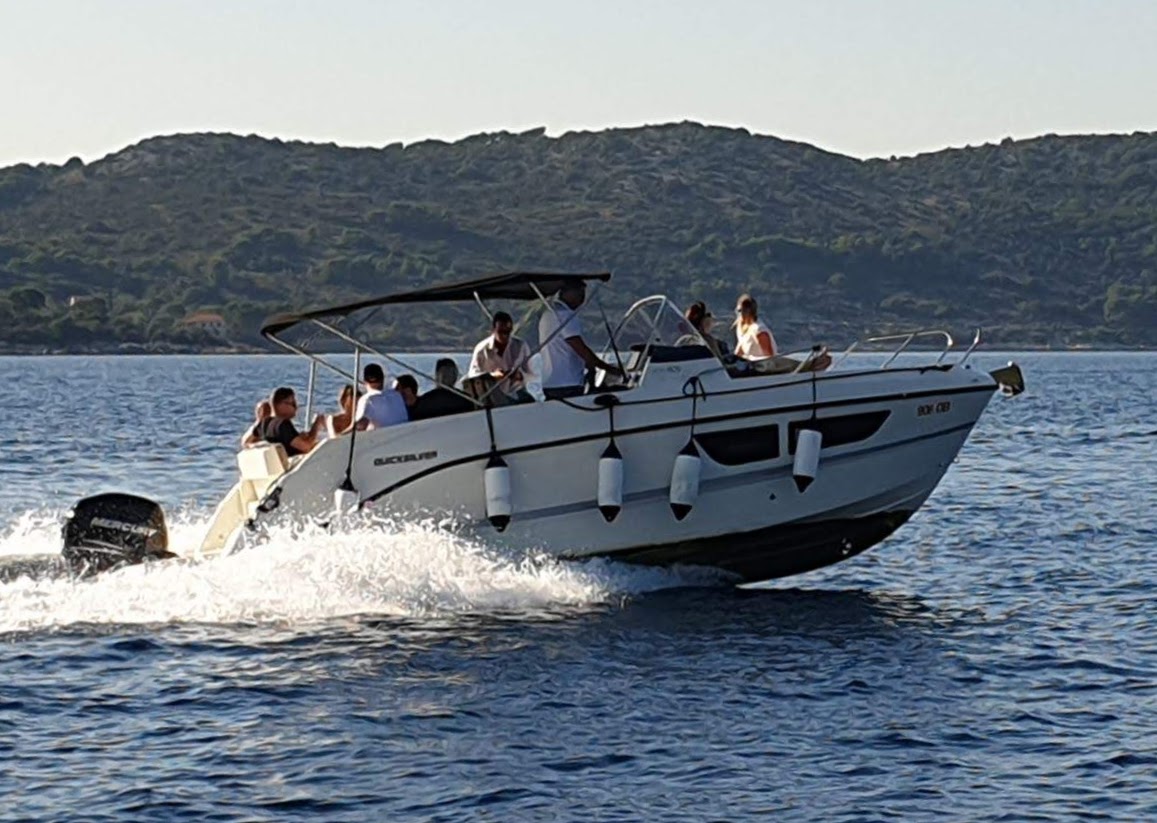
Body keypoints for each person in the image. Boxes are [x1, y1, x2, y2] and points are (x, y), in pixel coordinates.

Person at [537, 279, 624, 399]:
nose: (582, 298)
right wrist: (608, 368)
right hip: (567, 383)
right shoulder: (565, 315)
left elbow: (566, 347)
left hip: (550, 383)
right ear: (567, 293)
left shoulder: (548, 313)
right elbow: (578, 346)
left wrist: (590, 365)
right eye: (580, 293)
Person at [467, 311, 534, 402]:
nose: (504, 335)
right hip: (492, 394)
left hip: (517, 392)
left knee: (531, 401)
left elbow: (532, 374)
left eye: (507, 332)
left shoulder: (521, 346)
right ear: (493, 330)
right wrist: (492, 376)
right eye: (501, 332)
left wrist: (520, 375)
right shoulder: (481, 349)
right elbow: (473, 375)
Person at [259, 387, 323, 456]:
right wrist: (316, 425)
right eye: (293, 404)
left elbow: (250, 442)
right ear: (280, 405)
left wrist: (299, 437)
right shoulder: (283, 424)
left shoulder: (263, 423)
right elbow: (306, 447)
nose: (296, 407)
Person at [349, 363, 409, 431]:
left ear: (365, 381)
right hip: (405, 433)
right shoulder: (397, 395)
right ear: (383, 379)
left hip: (386, 436)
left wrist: (341, 435)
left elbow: (359, 426)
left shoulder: (368, 399)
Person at [734, 293, 778, 360]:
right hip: (747, 364)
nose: (740, 314)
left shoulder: (759, 330)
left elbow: (769, 358)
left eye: (743, 311)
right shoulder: (740, 326)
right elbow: (740, 348)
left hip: (760, 365)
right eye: (739, 311)